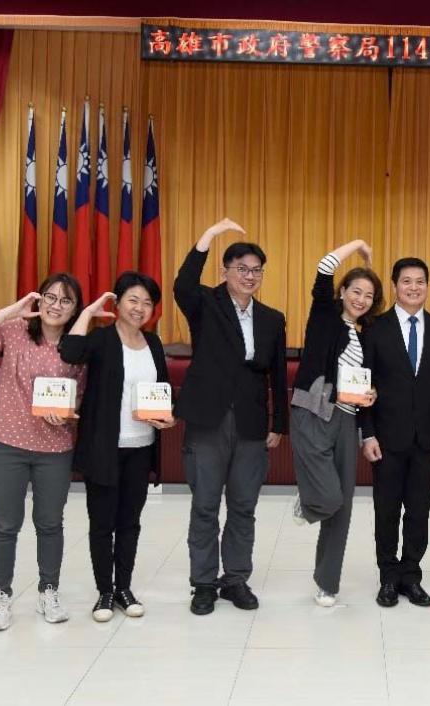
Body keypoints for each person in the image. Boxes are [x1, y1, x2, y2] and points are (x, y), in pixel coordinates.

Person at [0, 274, 86, 631]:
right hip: (7, 446)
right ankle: (0, 596)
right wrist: (13, 310)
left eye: (66, 300)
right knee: (4, 525)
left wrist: (66, 413)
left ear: (75, 309)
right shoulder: (15, 331)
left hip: (55, 448)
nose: (56, 305)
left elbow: (80, 396)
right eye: (50, 297)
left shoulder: (78, 347)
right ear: (39, 299)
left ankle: (49, 591)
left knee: (50, 524)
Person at [174, 218, 288, 615]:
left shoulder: (272, 318)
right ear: (225, 272)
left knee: (243, 506)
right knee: (205, 505)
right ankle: (204, 583)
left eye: (257, 270)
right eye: (242, 269)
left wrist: (279, 424)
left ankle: (235, 579)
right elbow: (182, 285)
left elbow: (277, 374)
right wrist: (209, 236)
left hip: (252, 425)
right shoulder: (205, 304)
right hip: (208, 420)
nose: (250, 276)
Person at [60, 273, 174, 622]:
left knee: (130, 523)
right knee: (102, 524)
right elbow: (70, 351)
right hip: (104, 448)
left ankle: (124, 587)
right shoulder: (101, 339)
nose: (140, 308)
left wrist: (167, 415)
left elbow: (163, 388)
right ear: (118, 303)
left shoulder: (153, 343)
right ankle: (104, 592)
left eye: (147, 303)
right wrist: (88, 311)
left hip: (141, 446)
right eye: (133, 300)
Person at [290, 239, 383, 607]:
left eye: (368, 296)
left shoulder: (364, 336)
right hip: (314, 411)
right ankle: (309, 502)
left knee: (342, 507)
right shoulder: (325, 317)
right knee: (329, 497)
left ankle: (327, 583)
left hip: (347, 419)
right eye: (355, 291)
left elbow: (362, 381)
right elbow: (324, 268)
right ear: (342, 292)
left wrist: (369, 395)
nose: (361, 299)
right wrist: (359, 245)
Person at [359, 257, 430, 608]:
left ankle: (411, 575)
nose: (414, 287)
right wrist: (367, 434)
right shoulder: (374, 328)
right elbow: (364, 385)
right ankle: (388, 577)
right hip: (386, 439)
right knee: (386, 511)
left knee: (419, 511)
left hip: (428, 438)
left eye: (420, 281)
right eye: (406, 281)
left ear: (428, 286)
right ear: (395, 285)